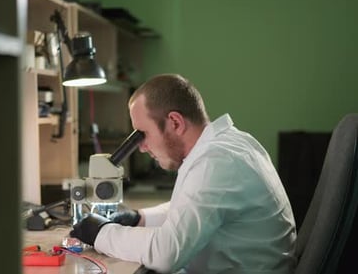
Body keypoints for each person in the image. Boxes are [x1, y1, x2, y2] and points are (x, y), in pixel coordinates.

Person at [70, 74, 297, 274]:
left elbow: (167, 254)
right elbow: (195, 206)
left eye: (143, 134)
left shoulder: (215, 162)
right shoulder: (230, 144)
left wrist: (102, 233)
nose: (141, 147)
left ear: (175, 123)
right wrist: (140, 218)